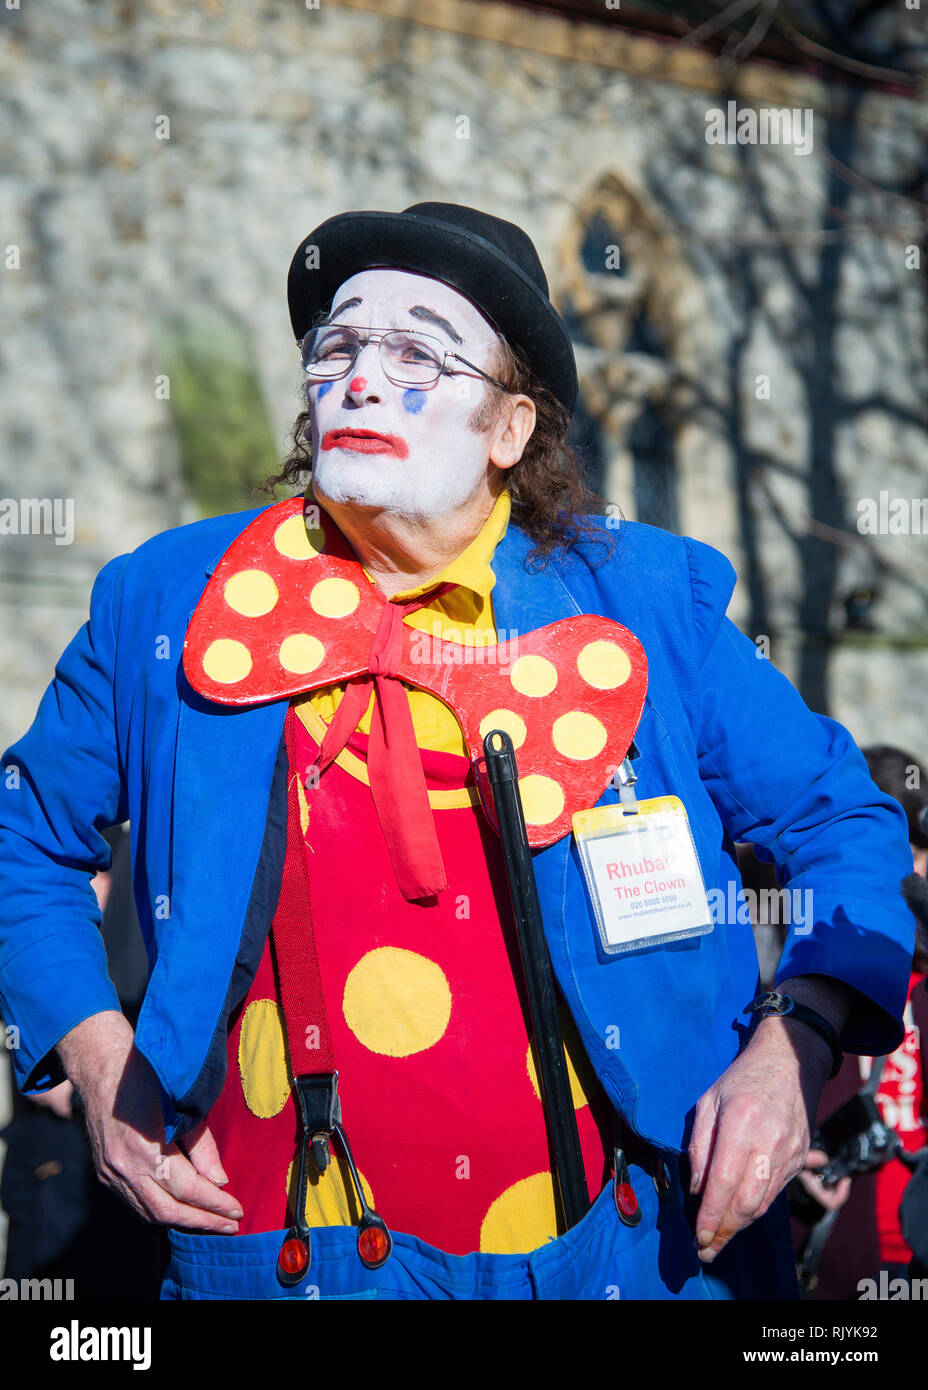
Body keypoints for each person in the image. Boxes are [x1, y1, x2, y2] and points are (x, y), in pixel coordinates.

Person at [0, 203, 917, 1301]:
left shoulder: (644, 599)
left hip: (636, 1249)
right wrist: (95, 1053)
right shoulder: (172, 598)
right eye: (335, 346)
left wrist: (795, 1045)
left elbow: (842, 823)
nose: (361, 377)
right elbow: (20, 838)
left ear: (509, 429)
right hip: (279, 1256)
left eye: (416, 352)